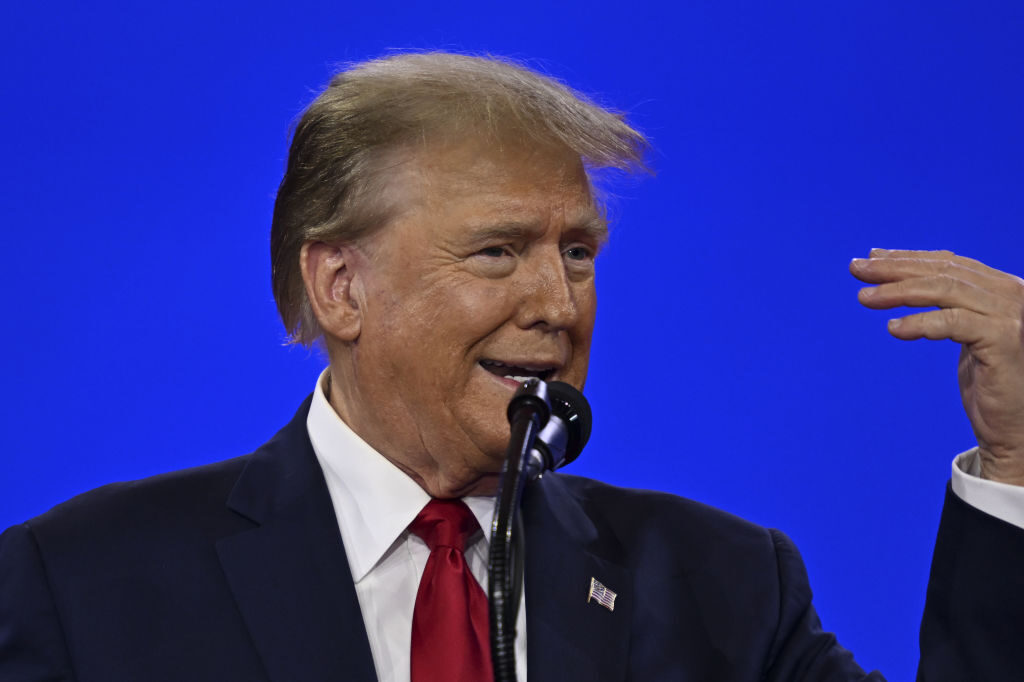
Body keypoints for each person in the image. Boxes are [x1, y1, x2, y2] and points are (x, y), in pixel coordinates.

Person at [1, 51, 1023, 682]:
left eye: (578, 252)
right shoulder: (81, 583)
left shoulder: (720, 586)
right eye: (498, 251)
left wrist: (1013, 456)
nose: (557, 302)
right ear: (339, 286)